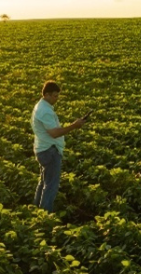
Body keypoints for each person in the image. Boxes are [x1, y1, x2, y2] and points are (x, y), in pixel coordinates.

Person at [31, 81, 85, 212]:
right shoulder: (44, 110)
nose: (57, 99)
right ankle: (45, 215)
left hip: (42, 149)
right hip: (49, 151)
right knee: (51, 185)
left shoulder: (42, 106)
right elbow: (54, 133)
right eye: (55, 96)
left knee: (44, 182)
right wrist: (74, 125)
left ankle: (36, 209)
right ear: (47, 95)